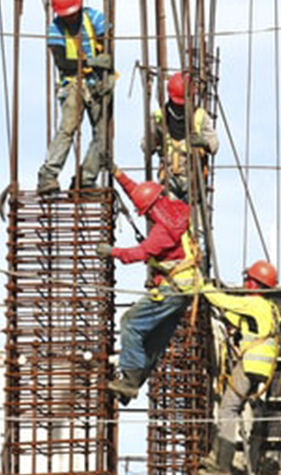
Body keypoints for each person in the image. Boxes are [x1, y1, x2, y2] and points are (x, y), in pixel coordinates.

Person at [98, 166, 199, 404]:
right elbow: (140, 193)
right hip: (185, 290)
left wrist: (112, 251)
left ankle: (130, 380)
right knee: (153, 342)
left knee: (130, 323)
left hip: (172, 290)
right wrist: (117, 174)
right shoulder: (178, 210)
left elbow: (140, 253)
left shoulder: (163, 232)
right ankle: (130, 386)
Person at [198, 261, 281, 475]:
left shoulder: (253, 303)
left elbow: (223, 300)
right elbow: (240, 318)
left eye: (248, 279)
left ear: (255, 284)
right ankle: (236, 460)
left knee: (228, 409)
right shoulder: (271, 309)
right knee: (244, 411)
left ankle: (221, 464)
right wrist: (223, 315)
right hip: (263, 371)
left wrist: (203, 286)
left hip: (249, 364)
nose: (245, 283)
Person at [37, 0, 115, 194]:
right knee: (67, 129)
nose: (69, 18)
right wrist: (92, 62)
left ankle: (86, 178)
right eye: (66, 15)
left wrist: (106, 69)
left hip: (97, 85)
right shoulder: (55, 29)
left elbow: (107, 48)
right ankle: (48, 176)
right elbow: (62, 63)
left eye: (72, 14)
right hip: (73, 84)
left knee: (103, 135)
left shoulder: (95, 19)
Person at [144, 72, 219, 201]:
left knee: (193, 218)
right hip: (169, 179)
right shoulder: (159, 117)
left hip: (193, 181)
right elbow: (146, 147)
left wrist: (203, 142)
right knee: (171, 216)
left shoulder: (200, 116)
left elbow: (214, 145)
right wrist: (155, 137)